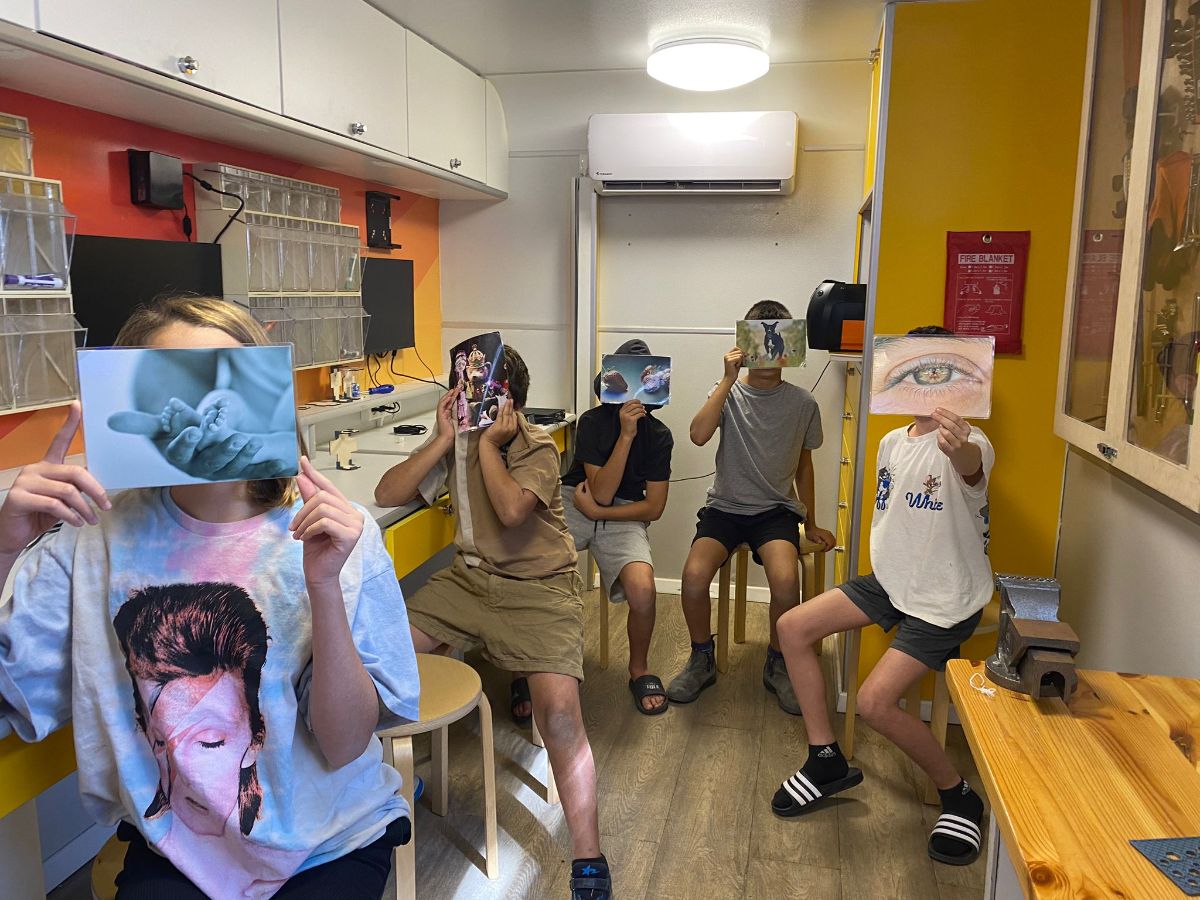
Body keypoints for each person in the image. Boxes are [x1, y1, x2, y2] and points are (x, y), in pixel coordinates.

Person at [0, 295, 419, 899]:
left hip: (330, 841)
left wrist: (324, 586)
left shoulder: (334, 534)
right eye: (174, 395)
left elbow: (345, 743)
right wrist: (5, 548)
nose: (199, 424)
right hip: (175, 847)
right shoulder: (91, 541)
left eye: (219, 393)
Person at [374, 346, 610, 900]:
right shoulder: (455, 443)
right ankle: (386, 787)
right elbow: (387, 493)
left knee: (561, 718)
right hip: (469, 582)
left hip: (540, 588)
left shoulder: (536, 446)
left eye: (488, 396)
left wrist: (486, 445)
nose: (474, 406)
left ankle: (589, 858)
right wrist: (441, 439)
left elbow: (510, 510)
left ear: (513, 405)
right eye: (464, 393)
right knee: (380, 662)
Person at [771, 324, 994, 868]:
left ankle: (959, 794)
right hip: (892, 582)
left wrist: (962, 449)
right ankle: (824, 757)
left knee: (873, 703)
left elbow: (971, 469)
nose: (926, 385)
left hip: (944, 596)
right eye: (915, 370)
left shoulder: (970, 443)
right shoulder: (892, 442)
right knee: (791, 627)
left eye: (939, 373)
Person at [666, 300, 835, 714]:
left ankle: (778, 662)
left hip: (775, 511)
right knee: (693, 577)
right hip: (725, 507)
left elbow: (804, 465)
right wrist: (728, 380)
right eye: (758, 339)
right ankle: (701, 657)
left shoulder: (802, 403)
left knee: (785, 581)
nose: (768, 351)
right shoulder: (728, 393)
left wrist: (811, 522)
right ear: (744, 343)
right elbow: (697, 436)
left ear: (789, 345)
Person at [561, 339, 674, 715]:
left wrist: (599, 513)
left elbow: (654, 507)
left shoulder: (659, 436)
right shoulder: (591, 422)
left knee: (643, 590)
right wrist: (625, 435)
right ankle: (531, 666)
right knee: (538, 570)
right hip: (576, 496)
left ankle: (639, 668)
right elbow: (601, 491)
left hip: (617, 511)